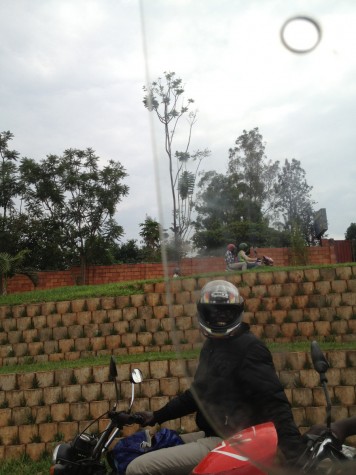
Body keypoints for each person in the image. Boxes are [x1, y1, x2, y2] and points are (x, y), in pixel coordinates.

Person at [126, 280, 307, 475]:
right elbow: (198, 394)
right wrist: (157, 416)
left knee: (138, 468)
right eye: (213, 311)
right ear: (203, 313)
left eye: (226, 311)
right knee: (139, 449)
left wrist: (294, 456)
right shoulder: (212, 346)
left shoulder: (249, 348)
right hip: (213, 434)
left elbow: (275, 402)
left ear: (237, 312)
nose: (220, 317)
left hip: (236, 442)